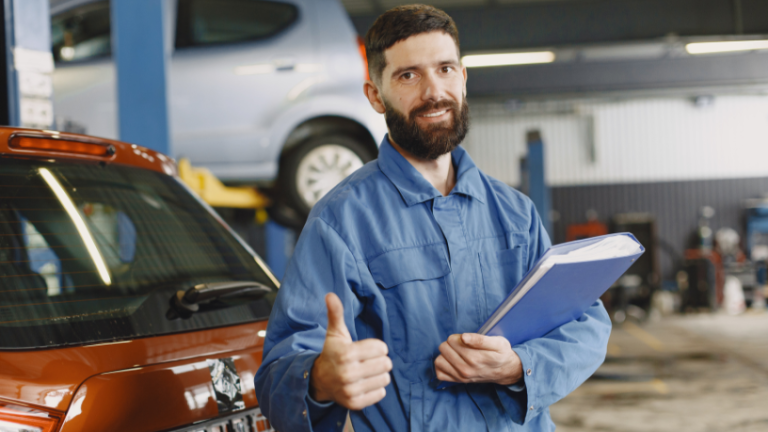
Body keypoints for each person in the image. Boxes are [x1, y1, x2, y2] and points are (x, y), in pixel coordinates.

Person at [254, 5, 611, 431]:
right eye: (408, 75)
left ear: (462, 79)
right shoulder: (341, 221)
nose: (433, 91)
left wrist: (520, 365)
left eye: (444, 69)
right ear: (375, 95)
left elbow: (586, 323)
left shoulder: (515, 213)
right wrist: (319, 379)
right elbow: (277, 376)